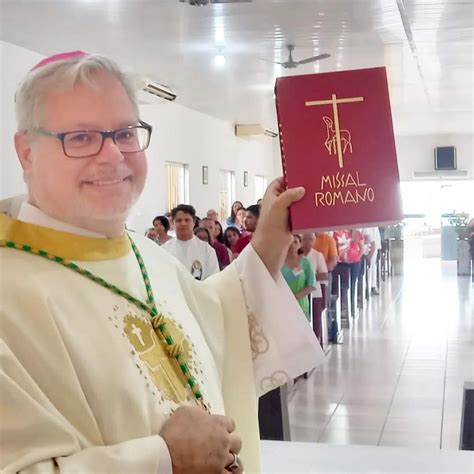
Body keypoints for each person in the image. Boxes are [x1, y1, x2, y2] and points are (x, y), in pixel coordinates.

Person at [1, 51, 323, 474]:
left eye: (125, 133)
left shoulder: (145, 254)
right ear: (26, 152)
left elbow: (217, 321)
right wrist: (164, 459)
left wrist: (266, 246)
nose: (113, 156)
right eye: (80, 137)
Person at [163, 204, 219, 280]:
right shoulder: (165, 250)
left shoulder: (206, 250)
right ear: (173, 223)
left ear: (194, 222)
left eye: (187, 220)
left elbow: (213, 278)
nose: (183, 223)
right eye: (179, 220)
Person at [281, 235, 316, 321]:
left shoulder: (305, 263)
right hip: (282, 302)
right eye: (289, 242)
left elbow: (311, 285)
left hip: (300, 303)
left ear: (300, 244)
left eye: (295, 242)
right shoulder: (279, 262)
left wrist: (295, 296)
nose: (292, 245)